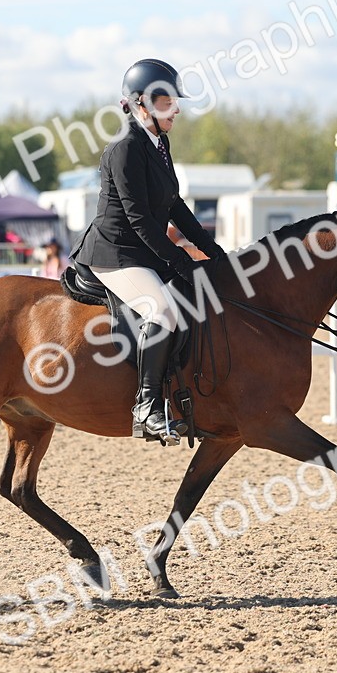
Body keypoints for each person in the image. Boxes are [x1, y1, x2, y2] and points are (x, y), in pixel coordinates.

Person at [70, 58, 226, 444]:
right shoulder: (124, 149)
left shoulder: (159, 143)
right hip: (115, 254)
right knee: (163, 309)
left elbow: (175, 207)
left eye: (175, 100)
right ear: (139, 103)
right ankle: (147, 406)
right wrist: (179, 260)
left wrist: (215, 253)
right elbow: (139, 219)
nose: (174, 108)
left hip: (142, 250)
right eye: (164, 99)